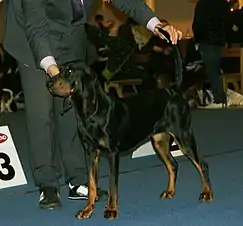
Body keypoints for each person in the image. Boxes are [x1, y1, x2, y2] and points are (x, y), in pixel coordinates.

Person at [3, 0, 182, 210]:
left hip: (69, 35)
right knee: (41, 114)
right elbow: (36, 24)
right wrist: (52, 69)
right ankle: (47, 184)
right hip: (30, 37)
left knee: (74, 111)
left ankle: (77, 180)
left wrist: (155, 24)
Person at [192, 0, 230, 108]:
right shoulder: (223, 3)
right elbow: (227, 23)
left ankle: (219, 98)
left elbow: (198, 23)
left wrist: (197, 40)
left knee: (211, 70)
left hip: (207, 40)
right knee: (215, 69)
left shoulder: (203, 4)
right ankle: (219, 97)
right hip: (219, 41)